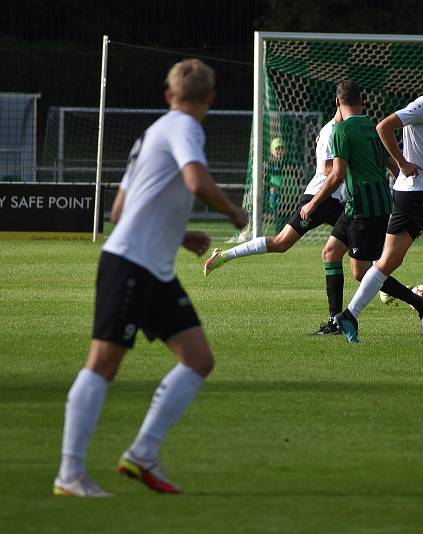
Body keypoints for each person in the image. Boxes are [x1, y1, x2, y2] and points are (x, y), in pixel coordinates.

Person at [53, 59, 248, 497]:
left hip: (152, 268)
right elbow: (196, 182)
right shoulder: (185, 127)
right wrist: (234, 211)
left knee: (198, 359)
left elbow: (120, 212)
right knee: (103, 364)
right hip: (129, 264)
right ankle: (69, 475)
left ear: (168, 95)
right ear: (211, 97)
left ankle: (142, 455)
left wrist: (178, 235)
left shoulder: (152, 133)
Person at [333, 53, 423, 342]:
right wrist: (401, 162)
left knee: (388, 262)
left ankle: (349, 315)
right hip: (414, 194)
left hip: (407, 195)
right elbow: (383, 126)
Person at [300, 80, 423, 339]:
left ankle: (421, 304)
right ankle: (334, 320)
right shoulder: (374, 126)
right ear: (363, 102)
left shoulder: (341, 131)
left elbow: (335, 176)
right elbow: (390, 162)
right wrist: (403, 174)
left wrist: (312, 203)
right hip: (364, 204)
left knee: (363, 272)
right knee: (330, 252)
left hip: (364, 208)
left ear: (338, 103)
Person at [203, 110, 347, 334]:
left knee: (363, 249)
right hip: (319, 199)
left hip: (334, 200)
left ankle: (342, 318)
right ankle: (224, 256)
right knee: (281, 243)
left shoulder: (343, 128)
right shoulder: (331, 130)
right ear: (340, 104)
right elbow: (330, 171)